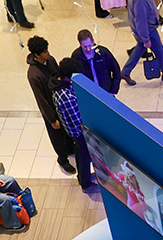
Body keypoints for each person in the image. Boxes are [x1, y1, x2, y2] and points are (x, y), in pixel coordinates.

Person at [26, 36, 76, 174]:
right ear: (37, 55)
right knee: (57, 135)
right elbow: (41, 99)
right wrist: (52, 119)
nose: (48, 53)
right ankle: (62, 158)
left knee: (67, 129)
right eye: (45, 52)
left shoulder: (51, 60)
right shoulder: (34, 75)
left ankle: (71, 148)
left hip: (61, 103)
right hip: (51, 109)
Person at [51, 59, 94, 189]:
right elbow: (77, 121)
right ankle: (85, 182)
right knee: (84, 156)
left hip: (72, 130)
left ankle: (82, 177)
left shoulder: (56, 83)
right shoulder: (66, 96)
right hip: (78, 132)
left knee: (80, 154)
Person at [120, 0, 163, 86]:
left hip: (143, 30)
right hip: (148, 31)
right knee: (159, 50)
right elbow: (141, 21)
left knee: (139, 49)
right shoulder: (140, 2)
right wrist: (146, 39)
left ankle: (125, 72)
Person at [71, 29, 122, 95]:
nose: (88, 49)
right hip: (89, 94)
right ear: (80, 44)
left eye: (90, 45)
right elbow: (75, 77)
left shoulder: (103, 52)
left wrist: (113, 90)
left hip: (106, 92)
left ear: (93, 42)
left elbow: (116, 70)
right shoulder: (76, 56)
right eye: (85, 47)